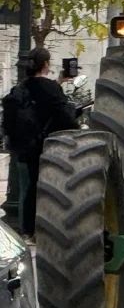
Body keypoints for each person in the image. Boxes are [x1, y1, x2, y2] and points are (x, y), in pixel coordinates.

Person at [15, 48, 79, 240]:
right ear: (46, 65)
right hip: (48, 147)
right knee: (46, 188)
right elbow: (63, 115)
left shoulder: (22, 87)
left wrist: (58, 82)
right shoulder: (50, 88)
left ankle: (27, 230)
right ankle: (42, 229)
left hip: (25, 148)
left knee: (28, 188)